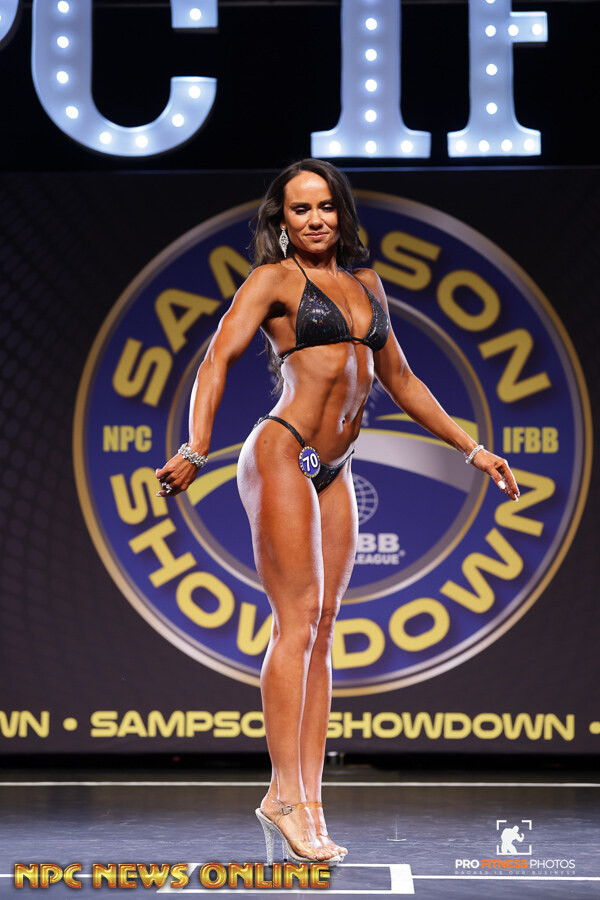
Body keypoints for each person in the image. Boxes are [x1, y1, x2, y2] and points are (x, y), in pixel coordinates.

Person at [155, 159, 519, 865]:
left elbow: (401, 378)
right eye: (300, 209)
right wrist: (195, 447)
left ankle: (307, 800)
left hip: (336, 466)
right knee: (295, 624)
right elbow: (215, 361)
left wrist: (472, 450)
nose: (315, 219)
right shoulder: (272, 281)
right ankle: (285, 796)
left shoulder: (367, 285)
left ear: (341, 213)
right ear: (281, 221)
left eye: (325, 206)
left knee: (322, 630)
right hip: (282, 450)